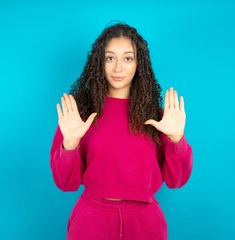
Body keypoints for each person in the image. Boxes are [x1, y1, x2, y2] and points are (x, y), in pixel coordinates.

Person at [50, 23, 193, 240]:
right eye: (109, 58)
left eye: (128, 58)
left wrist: (177, 140)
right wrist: (69, 144)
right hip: (91, 222)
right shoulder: (79, 114)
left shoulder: (159, 116)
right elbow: (66, 184)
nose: (118, 68)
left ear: (139, 64)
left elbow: (177, 180)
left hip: (146, 224)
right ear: (99, 62)